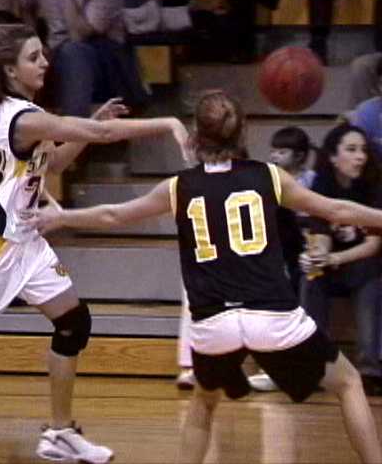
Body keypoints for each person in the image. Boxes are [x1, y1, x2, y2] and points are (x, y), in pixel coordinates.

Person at [32, 90, 382, 464]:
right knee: (348, 383)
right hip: (272, 317)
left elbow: (113, 215)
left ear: (196, 135)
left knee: (203, 404)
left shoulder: (179, 186)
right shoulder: (269, 176)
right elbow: (336, 210)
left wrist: (63, 217)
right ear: (243, 132)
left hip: (214, 325)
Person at [0, 21, 187, 463]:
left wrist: (92, 123)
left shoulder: (23, 112)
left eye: (42, 54)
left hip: (25, 241)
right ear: (10, 70)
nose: (45, 63)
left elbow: (53, 161)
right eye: (34, 57)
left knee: (74, 322)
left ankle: (59, 432)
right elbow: (101, 137)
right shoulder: (23, 117)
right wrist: (167, 121)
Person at [299, 124, 382, 396]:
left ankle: (369, 370)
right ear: (333, 157)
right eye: (352, 150)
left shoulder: (374, 186)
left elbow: (373, 246)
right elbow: (320, 233)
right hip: (334, 266)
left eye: (363, 150)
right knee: (310, 275)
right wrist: (317, 256)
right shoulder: (322, 187)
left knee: (371, 276)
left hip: (363, 262)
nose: (361, 157)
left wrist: (335, 257)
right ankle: (315, 366)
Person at [248, 126, 316, 392]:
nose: (275, 156)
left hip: (308, 252)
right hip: (279, 253)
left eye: (282, 151)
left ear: (299, 155)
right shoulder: (267, 181)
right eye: (273, 151)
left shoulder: (312, 180)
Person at [18, 0, 148, 117]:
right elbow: (25, 6)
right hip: (57, 54)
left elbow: (78, 35)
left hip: (104, 60)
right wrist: (35, 41)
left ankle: (76, 124)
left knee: (73, 53)